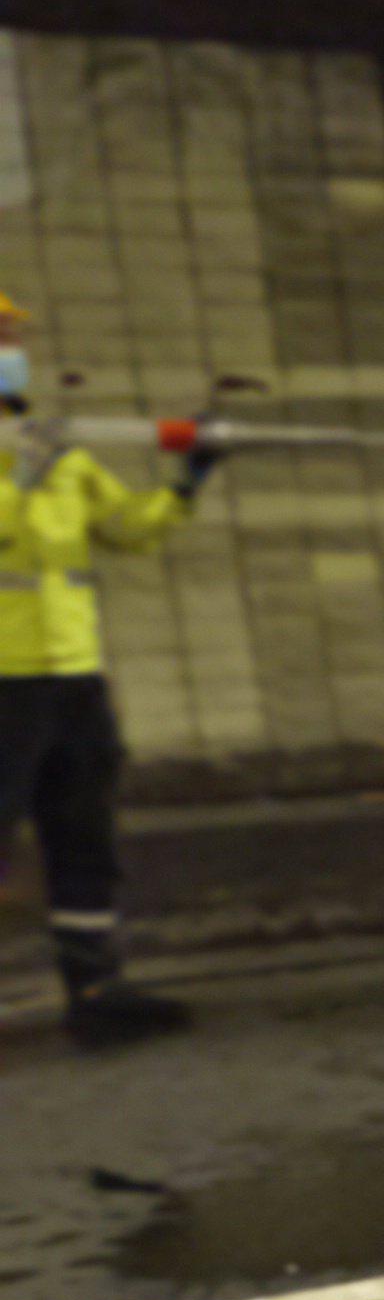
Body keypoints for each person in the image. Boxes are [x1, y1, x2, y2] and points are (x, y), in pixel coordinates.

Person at [0, 286, 221, 1042]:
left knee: (83, 831)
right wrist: (19, 477)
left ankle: (94, 991)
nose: (11, 351)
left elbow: (128, 528)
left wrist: (187, 482)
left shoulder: (53, 446)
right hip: (4, 681)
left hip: (72, 676)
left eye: (11, 337)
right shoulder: (34, 455)